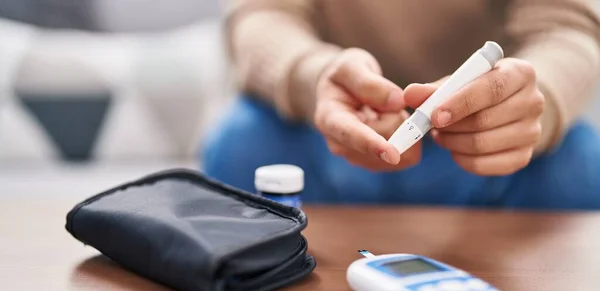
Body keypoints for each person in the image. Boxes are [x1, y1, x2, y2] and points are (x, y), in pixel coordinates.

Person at [201, 0, 600, 210]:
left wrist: (530, 101)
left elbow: (569, 28)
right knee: (240, 146)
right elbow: (262, 17)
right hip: (323, 133)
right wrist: (315, 77)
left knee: (579, 166)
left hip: (490, 152)